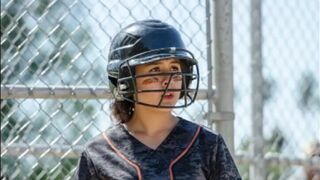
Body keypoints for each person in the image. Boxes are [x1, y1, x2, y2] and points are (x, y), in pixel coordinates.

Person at [75, 19, 241, 179]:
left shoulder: (207, 144)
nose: (168, 79)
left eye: (174, 68)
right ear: (126, 81)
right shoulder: (100, 153)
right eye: (155, 69)